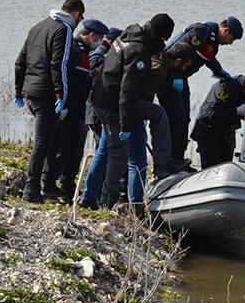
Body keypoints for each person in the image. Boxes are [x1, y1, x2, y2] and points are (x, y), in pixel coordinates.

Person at [79, 41, 194, 210]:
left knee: (103, 152)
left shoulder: (154, 55)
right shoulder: (160, 68)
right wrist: (136, 116)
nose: (183, 70)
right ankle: (139, 196)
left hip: (110, 106)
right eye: (184, 66)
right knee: (138, 156)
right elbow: (139, 94)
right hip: (127, 111)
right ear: (177, 61)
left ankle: (88, 197)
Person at [14, 0, 85, 203]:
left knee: (49, 140)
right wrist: (61, 95)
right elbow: (59, 65)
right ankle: (31, 189)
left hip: (31, 93)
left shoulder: (38, 26)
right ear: (77, 14)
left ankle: (45, 185)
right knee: (42, 144)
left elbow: (20, 62)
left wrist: (19, 91)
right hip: (46, 95)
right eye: (80, 17)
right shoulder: (63, 30)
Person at [157, 16, 243, 163]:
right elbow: (175, 51)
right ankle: (168, 160)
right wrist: (176, 76)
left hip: (180, 78)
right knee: (177, 118)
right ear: (225, 30)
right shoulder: (202, 31)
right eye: (232, 38)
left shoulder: (213, 41)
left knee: (184, 118)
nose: (231, 43)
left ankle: (178, 158)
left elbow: (207, 57)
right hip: (168, 76)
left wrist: (219, 71)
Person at [41, 18, 109, 199]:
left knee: (74, 150)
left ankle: (67, 184)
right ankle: (49, 183)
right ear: (92, 35)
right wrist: (63, 103)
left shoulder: (84, 52)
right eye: (99, 38)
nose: (99, 43)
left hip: (79, 109)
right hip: (69, 108)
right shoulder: (74, 50)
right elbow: (66, 79)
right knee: (61, 147)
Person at [190, 75, 245, 169]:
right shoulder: (225, 87)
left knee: (226, 167)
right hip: (209, 130)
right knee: (211, 168)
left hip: (227, 132)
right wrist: (236, 111)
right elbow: (212, 114)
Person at [85, 26, 122, 147]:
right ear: (111, 41)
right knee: (102, 147)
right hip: (95, 110)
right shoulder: (98, 57)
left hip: (95, 108)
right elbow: (98, 84)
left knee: (103, 146)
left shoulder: (100, 54)